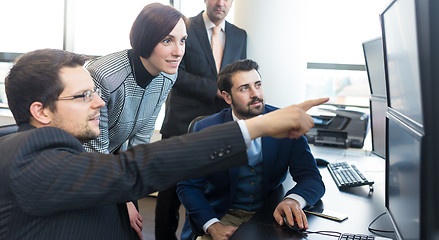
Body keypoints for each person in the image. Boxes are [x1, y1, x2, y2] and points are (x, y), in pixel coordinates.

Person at [0, 49, 328, 240]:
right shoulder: (25, 155)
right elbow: (132, 170)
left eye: (95, 92)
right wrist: (259, 126)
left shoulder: (67, 152)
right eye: (84, 95)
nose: (100, 102)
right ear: (40, 111)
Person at [177, 59, 326, 240]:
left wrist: (292, 200)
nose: (256, 94)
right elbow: (188, 186)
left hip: (269, 214)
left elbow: (311, 177)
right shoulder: (205, 129)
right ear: (227, 97)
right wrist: (213, 226)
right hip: (220, 215)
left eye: (258, 85)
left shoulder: (287, 123)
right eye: (244, 88)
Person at [82, 3, 187, 238]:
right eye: (167, 40)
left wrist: (130, 192)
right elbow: (94, 147)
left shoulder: (168, 74)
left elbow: (142, 135)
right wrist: (122, 200)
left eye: (183, 41)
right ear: (145, 39)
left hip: (114, 157)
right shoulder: (105, 76)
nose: (179, 51)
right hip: (83, 161)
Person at [157, 0, 247, 238]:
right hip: (181, 123)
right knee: (169, 193)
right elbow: (174, 71)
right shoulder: (186, 27)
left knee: (206, 188)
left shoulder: (239, 35)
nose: (221, 3)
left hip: (220, 125)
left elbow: (241, 73)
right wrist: (215, 89)